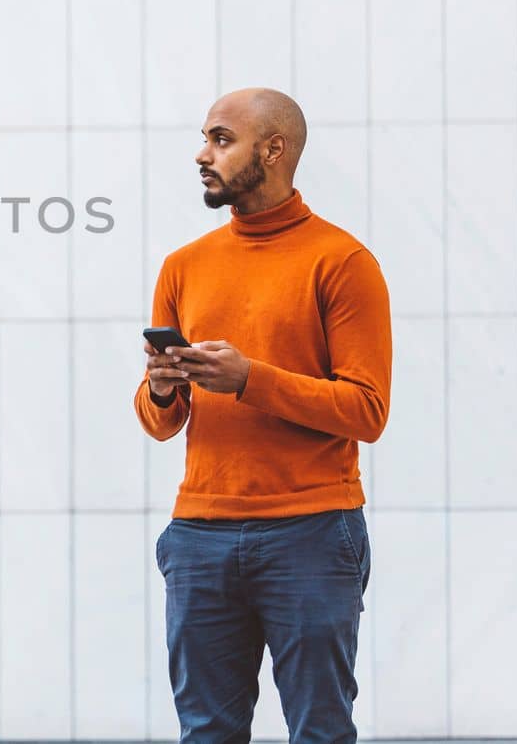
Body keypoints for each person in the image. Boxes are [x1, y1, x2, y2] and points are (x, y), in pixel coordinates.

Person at [136, 87, 392, 744]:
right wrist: (164, 389)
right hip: (200, 533)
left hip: (311, 532)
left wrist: (250, 378)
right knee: (207, 733)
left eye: (222, 139)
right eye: (205, 138)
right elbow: (160, 420)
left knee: (320, 730)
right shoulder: (183, 266)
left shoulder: (343, 262)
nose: (203, 153)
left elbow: (367, 409)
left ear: (272, 150)